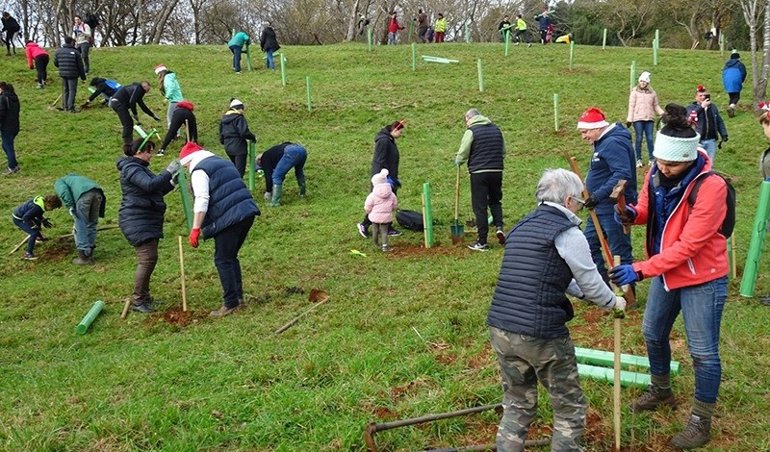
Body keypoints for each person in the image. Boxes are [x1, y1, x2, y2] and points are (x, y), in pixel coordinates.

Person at [609, 104, 729, 449]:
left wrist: (641, 269)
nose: (664, 168)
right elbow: (648, 208)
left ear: (691, 158)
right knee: (652, 332)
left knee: (703, 351)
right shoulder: (655, 173)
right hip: (666, 271)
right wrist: (632, 214)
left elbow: (690, 244)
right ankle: (661, 392)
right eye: (660, 161)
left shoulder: (711, 186)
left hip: (702, 276)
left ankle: (700, 420)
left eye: (672, 164)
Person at [488, 168, 626, 451]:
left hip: (501, 327)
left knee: (517, 402)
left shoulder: (521, 226)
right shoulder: (568, 233)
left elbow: (549, 276)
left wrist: (583, 294)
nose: (579, 206)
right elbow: (590, 281)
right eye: (578, 201)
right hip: (541, 334)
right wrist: (614, 302)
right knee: (569, 407)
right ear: (567, 201)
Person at [179, 142, 260, 318]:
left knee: (222, 259)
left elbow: (202, 198)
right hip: (246, 211)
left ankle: (231, 303)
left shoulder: (199, 170)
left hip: (229, 218)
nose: (186, 170)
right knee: (230, 257)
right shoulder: (221, 161)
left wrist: (195, 228)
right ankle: (238, 299)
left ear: (188, 161)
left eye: (185, 166)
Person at [117, 138, 180, 313]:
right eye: (149, 151)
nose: (151, 155)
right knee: (147, 259)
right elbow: (150, 185)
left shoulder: (140, 169)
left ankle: (144, 297)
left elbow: (156, 189)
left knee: (149, 259)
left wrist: (172, 182)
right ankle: (138, 300)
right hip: (136, 220)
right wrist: (168, 171)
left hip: (146, 219)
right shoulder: (131, 169)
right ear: (139, 152)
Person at [577, 107, 637, 285]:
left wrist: (597, 195)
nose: (583, 136)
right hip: (598, 208)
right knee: (588, 245)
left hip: (612, 207)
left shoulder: (612, 143)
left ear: (597, 128)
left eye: (585, 132)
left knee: (618, 249)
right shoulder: (603, 142)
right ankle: (603, 286)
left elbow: (622, 175)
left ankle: (627, 291)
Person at [454, 108, 506, 252]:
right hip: (497, 170)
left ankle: (482, 241)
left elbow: (464, 151)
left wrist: (458, 160)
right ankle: (499, 228)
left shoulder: (471, 131)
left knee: (480, 206)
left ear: (468, 118)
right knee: (495, 201)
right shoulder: (496, 129)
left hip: (479, 172)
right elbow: (503, 151)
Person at [357, 120, 405, 238]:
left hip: (389, 176)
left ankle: (387, 227)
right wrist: (386, 178)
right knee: (380, 203)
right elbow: (380, 160)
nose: (401, 135)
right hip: (382, 178)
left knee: (387, 203)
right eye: (400, 132)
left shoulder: (389, 139)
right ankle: (364, 224)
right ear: (394, 130)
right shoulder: (384, 141)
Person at [53, 173, 106, 265]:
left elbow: (64, 192)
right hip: (98, 194)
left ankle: (84, 257)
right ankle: (90, 254)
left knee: (80, 223)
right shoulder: (79, 178)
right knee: (92, 224)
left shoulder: (60, 181)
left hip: (84, 196)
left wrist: (70, 206)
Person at [109, 81, 160, 153]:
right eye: (147, 90)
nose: (147, 92)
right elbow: (132, 102)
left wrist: (152, 115)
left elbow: (142, 105)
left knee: (129, 122)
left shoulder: (137, 90)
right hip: (118, 103)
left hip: (117, 103)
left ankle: (129, 142)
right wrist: (135, 114)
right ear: (144, 86)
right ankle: (128, 144)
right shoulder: (139, 89)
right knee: (127, 123)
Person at [627, 71, 664, 167]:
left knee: (650, 138)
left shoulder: (652, 93)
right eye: (641, 81)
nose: (643, 83)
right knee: (639, 138)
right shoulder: (634, 92)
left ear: (648, 83)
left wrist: (663, 113)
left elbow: (656, 105)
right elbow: (631, 106)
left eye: (645, 82)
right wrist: (629, 119)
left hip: (649, 118)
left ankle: (652, 158)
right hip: (637, 118)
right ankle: (638, 159)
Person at [11, 194, 61, 260]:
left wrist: (43, 220)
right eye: (53, 208)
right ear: (49, 205)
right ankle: (28, 254)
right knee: (33, 233)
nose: (52, 210)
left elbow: (37, 213)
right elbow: (26, 217)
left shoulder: (41, 203)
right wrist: (33, 226)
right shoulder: (36, 207)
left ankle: (39, 238)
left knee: (37, 223)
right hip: (19, 219)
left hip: (26, 216)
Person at [686, 85, 727, 164]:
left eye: (704, 95)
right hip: (698, 140)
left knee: (709, 163)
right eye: (700, 95)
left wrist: (723, 133)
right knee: (696, 163)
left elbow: (719, 121)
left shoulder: (713, 107)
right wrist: (701, 107)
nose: (702, 97)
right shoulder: (691, 107)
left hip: (711, 140)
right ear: (696, 97)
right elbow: (690, 117)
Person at [257, 142, 307, 206]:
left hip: (290, 152)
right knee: (299, 172)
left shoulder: (264, 157)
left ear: (259, 160)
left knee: (276, 176)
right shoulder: (274, 152)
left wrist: (268, 191)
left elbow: (268, 176)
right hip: (302, 150)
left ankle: (275, 202)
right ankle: (302, 194)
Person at [219, 98, 256, 177]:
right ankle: (238, 186)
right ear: (240, 109)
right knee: (240, 171)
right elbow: (244, 132)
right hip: (239, 147)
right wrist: (252, 137)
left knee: (234, 168)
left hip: (228, 146)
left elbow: (221, 135)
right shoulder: (239, 118)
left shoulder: (223, 119)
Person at [365, 168, 398, 252]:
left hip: (375, 216)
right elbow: (394, 204)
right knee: (384, 231)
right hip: (386, 216)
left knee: (375, 230)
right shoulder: (391, 194)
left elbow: (368, 205)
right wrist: (391, 209)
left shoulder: (372, 195)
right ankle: (385, 246)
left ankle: (375, 243)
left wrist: (368, 211)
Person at [53, 36, 86, 113]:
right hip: (73, 74)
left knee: (65, 90)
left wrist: (62, 66)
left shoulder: (58, 51)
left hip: (63, 73)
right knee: (72, 91)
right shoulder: (76, 52)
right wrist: (83, 77)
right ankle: (70, 107)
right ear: (71, 42)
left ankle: (65, 106)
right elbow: (80, 66)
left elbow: (55, 63)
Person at [0, 81, 20, 175]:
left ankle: (12, 167)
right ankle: (14, 163)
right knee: (5, 145)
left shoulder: (3, 98)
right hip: (15, 125)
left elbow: (1, 113)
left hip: (6, 127)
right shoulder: (14, 97)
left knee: (8, 146)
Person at [722, 51, 747, 118]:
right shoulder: (740, 64)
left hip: (727, 81)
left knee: (731, 97)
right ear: (738, 58)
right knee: (736, 96)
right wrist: (741, 81)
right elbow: (744, 73)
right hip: (736, 80)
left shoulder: (726, 65)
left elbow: (723, 74)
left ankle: (731, 112)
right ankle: (731, 107)